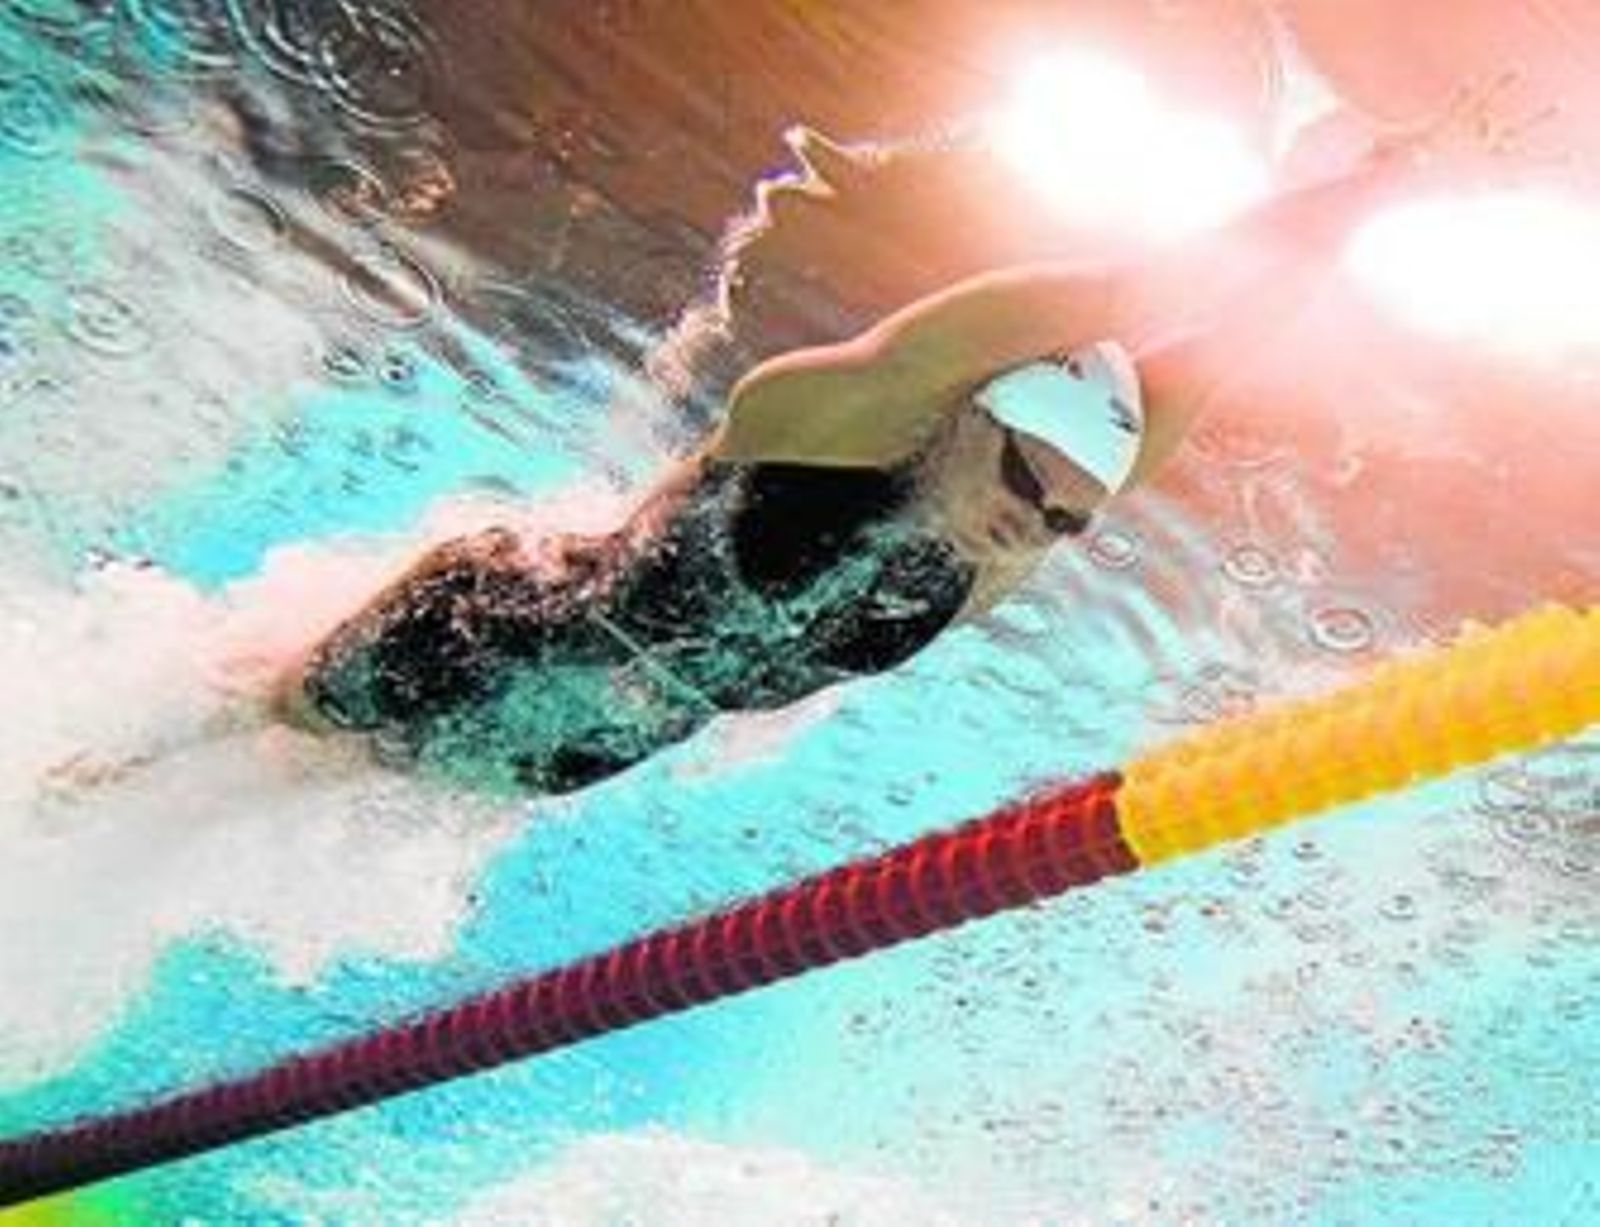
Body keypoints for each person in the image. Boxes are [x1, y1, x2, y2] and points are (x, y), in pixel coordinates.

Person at [274, 132, 1443, 796]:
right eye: (1023, 479)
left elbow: (1213, 366)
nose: (1028, 524)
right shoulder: (821, 426)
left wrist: (1342, 242)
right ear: (972, 411)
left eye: (1065, 521)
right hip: (474, 633)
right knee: (227, 758)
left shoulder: (995, 556)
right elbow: (1119, 293)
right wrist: (1352, 192)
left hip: (573, 750)